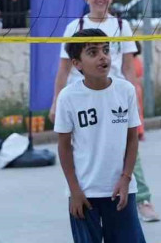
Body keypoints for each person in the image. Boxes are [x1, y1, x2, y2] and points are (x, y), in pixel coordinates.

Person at [48, 0, 160, 222]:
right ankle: (81, 194)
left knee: (127, 148)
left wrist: (135, 102)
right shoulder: (74, 27)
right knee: (84, 151)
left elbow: (130, 68)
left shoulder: (121, 25)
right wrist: (56, 101)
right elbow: (64, 69)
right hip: (83, 98)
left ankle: (141, 199)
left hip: (115, 97)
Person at [54, 29, 145, 243]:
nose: (103, 56)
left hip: (120, 190)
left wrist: (126, 179)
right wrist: (74, 191)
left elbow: (132, 139)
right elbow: (64, 147)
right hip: (85, 192)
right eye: (93, 52)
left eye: (106, 50)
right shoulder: (68, 97)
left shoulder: (126, 90)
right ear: (77, 63)